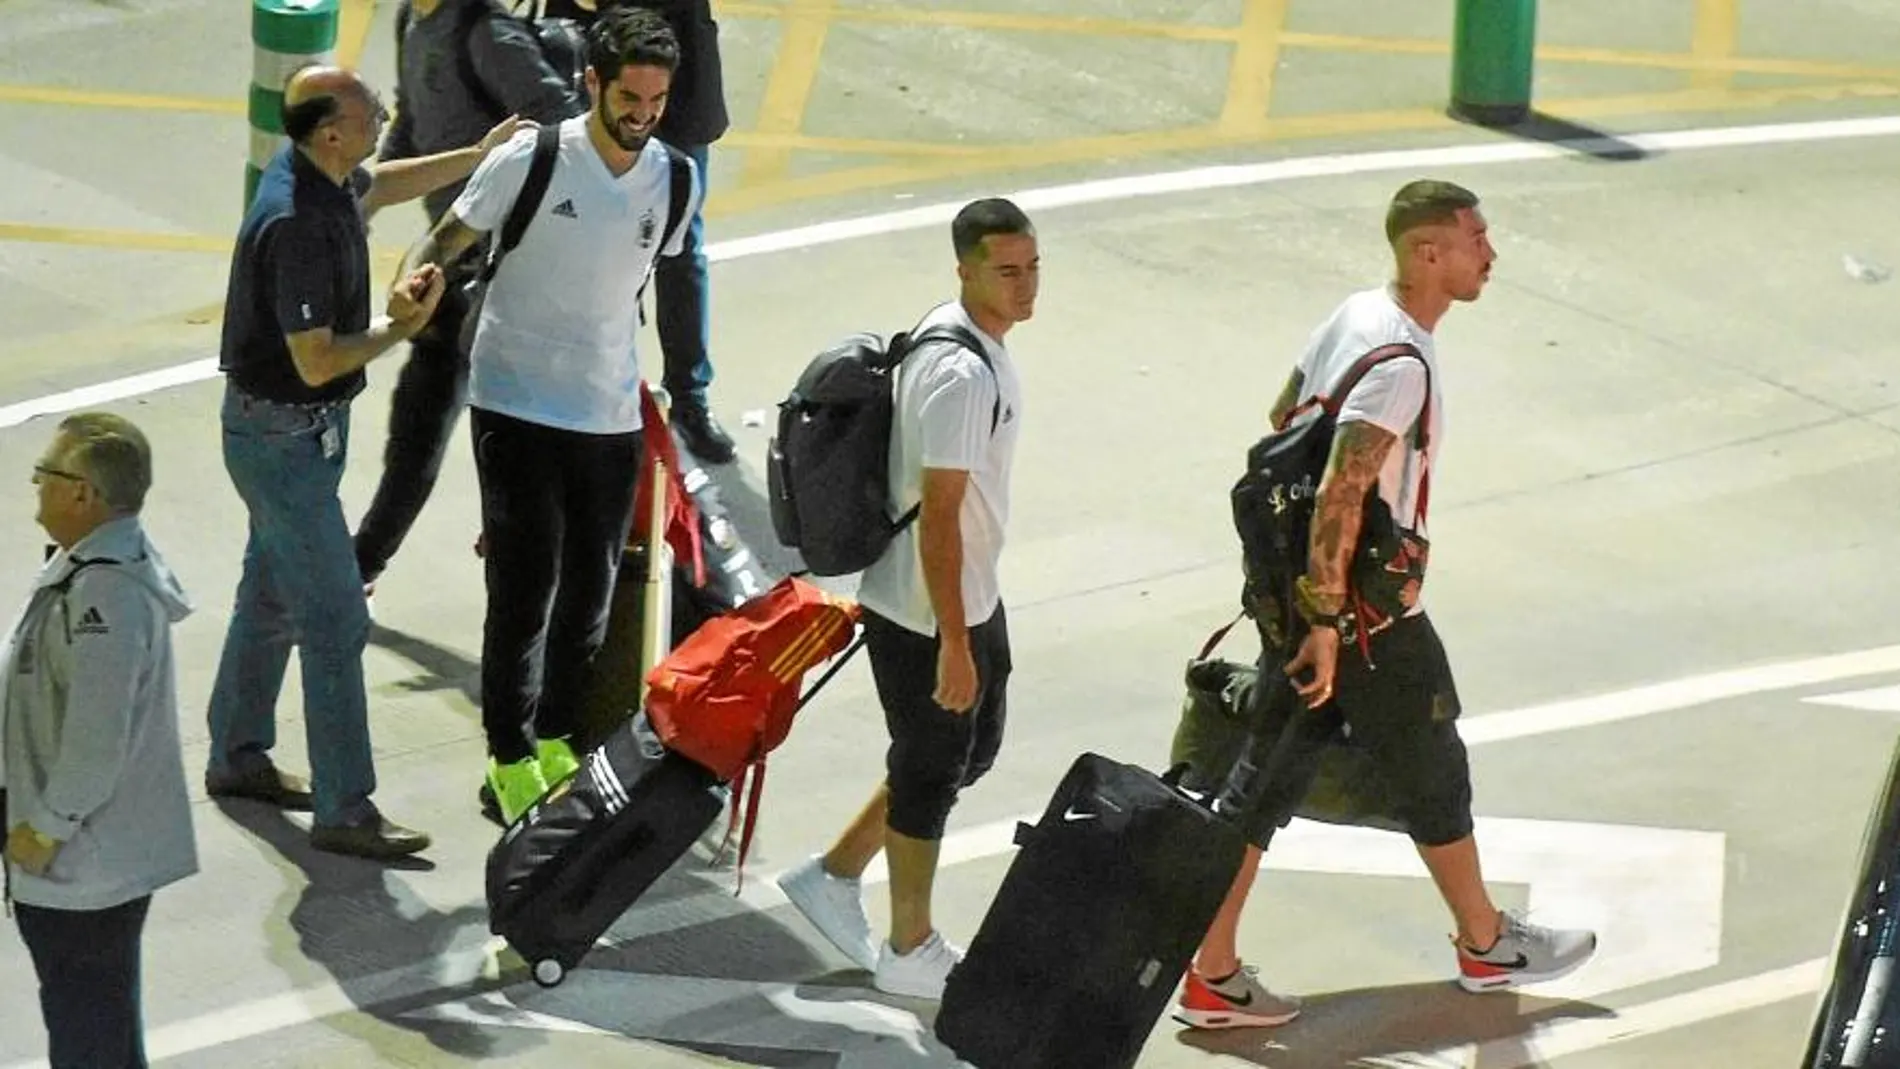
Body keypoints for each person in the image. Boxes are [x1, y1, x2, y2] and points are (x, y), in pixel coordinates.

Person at [1175, 180, 1598, 1030]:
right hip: (1363, 619)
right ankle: (1480, 944)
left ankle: (1218, 969)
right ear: (1427, 253)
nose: (1491, 253)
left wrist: (1304, 607)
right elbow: (1341, 490)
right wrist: (1329, 623)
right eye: (1476, 238)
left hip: (1302, 601)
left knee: (1292, 778)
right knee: (1410, 763)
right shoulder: (1401, 363)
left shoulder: (1355, 314)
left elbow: (1281, 415)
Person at [393, 6, 704, 824]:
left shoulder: (674, 177)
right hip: (515, 400)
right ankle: (507, 753)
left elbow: (651, 277)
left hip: (606, 412)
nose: (642, 117)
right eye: (628, 98)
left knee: (591, 594)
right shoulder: (532, 159)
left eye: (657, 102)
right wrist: (411, 282)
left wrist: (674, 385)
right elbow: (447, 238)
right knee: (523, 587)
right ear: (591, 84)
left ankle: (561, 736)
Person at [206, 64, 522, 859]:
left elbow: (379, 185)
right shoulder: (296, 223)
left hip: (291, 437)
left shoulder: (323, 174)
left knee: (270, 593)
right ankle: (347, 807)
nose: (384, 113)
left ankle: (237, 753)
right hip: (283, 437)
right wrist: (401, 326)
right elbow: (316, 361)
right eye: (369, 109)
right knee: (338, 620)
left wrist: (478, 155)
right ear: (330, 131)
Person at [776, 198, 1037, 1000]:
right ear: (964, 270)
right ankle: (908, 944)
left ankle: (835, 874)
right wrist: (954, 639)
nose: (1025, 285)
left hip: (965, 598)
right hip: (927, 611)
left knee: (966, 751)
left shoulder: (962, 337)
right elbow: (940, 517)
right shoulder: (960, 375)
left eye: (1032, 267)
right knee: (928, 770)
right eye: (1007, 271)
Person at [353, 0, 589, 597]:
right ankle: (364, 565)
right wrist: (371, 193)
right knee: (419, 426)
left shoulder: (487, 34)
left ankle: (537, 580)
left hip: (497, 274)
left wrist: (500, 204)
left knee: (485, 437)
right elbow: (414, 119)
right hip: (452, 264)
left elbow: (564, 128)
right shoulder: (415, 18)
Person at [3, 413, 196, 1069]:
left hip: (83, 861)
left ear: (83, 493)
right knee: (94, 1022)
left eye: (45, 476)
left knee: (88, 1032)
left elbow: (93, 738)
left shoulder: (106, 597)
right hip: (75, 852)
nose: (35, 488)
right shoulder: (86, 562)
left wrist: (45, 829)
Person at [539, 0, 735, 463]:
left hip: (674, 72)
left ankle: (688, 397)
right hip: (605, 67)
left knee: (681, 250)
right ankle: (575, 381)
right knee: (579, 234)